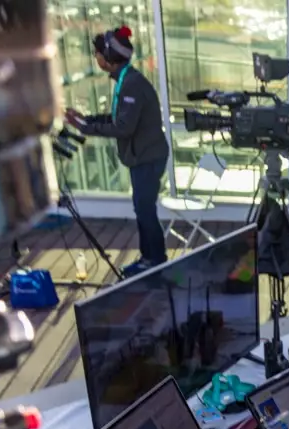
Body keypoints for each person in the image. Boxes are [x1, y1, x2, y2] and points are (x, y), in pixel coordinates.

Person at [65, 25, 169, 277]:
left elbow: (123, 127)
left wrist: (85, 128)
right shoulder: (125, 79)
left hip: (148, 158)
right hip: (142, 157)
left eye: (98, 54)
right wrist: (87, 120)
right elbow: (116, 117)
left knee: (145, 210)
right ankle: (150, 259)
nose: (96, 59)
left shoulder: (131, 84)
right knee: (143, 209)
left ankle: (156, 262)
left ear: (109, 58)